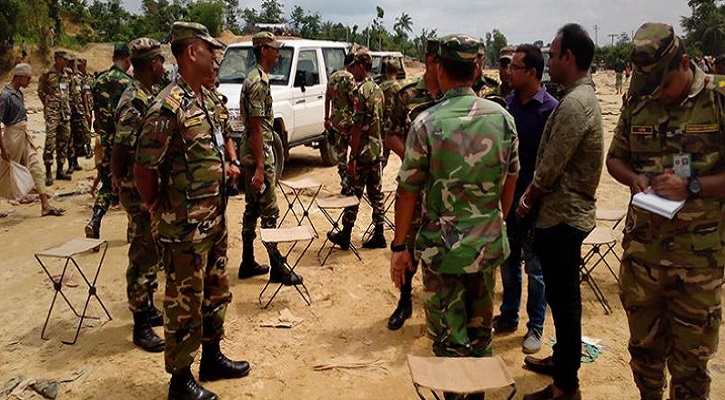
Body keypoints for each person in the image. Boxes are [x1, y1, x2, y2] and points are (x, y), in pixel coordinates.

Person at [390, 34, 518, 400]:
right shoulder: (503, 119)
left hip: (442, 253)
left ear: (440, 69)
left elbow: (408, 191)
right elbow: (512, 176)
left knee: (448, 341)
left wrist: (400, 246)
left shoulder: (426, 122)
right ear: (477, 68)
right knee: (481, 337)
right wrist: (497, 221)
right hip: (487, 245)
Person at [606, 22, 725, 400]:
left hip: (698, 262)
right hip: (644, 256)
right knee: (645, 355)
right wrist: (635, 179)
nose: (658, 94)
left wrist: (692, 187)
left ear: (685, 63)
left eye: (665, 85)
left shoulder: (720, 97)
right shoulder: (640, 96)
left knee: (691, 365)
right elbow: (615, 159)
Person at [134, 21, 250, 400]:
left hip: (214, 218)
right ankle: (180, 380)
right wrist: (155, 206)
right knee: (184, 301)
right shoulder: (169, 106)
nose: (216, 56)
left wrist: (230, 163)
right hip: (183, 227)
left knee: (216, 290)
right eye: (210, 49)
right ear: (190, 53)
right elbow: (144, 168)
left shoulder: (207, 99)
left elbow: (222, 140)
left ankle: (212, 358)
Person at [518, 24, 603, 400]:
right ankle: (563, 362)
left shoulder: (575, 104)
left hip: (563, 216)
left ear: (569, 57)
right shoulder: (576, 98)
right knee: (561, 297)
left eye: (552, 55)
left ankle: (566, 387)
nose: (549, 61)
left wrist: (527, 199)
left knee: (565, 300)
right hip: (563, 214)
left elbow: (550, 166)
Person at [493, 44, 557, 355]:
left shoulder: (550, 110)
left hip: (536, 202)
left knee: (536, 268)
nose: (509, 72)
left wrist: (533, 197)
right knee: (508, 262)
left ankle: (535, 326)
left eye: (516, 68)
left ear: (532, 72)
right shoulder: (508, 105)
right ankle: (508, 315)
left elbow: (551, 164)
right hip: (509, 200)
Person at [111, 37, 168, 353]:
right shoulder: (134, 100)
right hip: (136, 187)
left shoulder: (148, 94)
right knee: (143, 252)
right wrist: (117, 178)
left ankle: (148, 307)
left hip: (145, 184)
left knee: (152, 249)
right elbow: (121, 147)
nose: (163, 66)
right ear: (154, 64)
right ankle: (140, 325)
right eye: (160, 61)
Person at [383, 37, 440, 331]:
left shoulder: (453, 95)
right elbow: (390, 134)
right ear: (430, 61)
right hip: (415, 188)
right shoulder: (407, 95)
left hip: (443, 189)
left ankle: (440, 306)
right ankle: (404, 301)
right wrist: (413, 157)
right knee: (407, 242)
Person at [236, 31, 303, 285]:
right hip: (259, 152)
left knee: (252, 207)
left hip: (253, 151)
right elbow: (255, 126)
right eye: (275, 48)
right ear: (264, 50)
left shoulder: (257, 78)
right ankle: (278, 268)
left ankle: (247, 261)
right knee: (270, 210)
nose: (278, 52)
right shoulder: (258, 83)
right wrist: (262, 167)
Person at [326, 47, 387, 250]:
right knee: (376, 193)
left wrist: (352, 157)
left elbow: (358, 126)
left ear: (361, 66)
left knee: (354, 193)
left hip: (362, 153)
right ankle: (379, 233)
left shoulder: (361, 92)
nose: (353, 72)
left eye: (356, 67)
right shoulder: (379, 91)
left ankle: (346, 234)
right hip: (376, 151)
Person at [0, 63, 64, 217]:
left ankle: (45, 205)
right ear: (20, 77)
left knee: (35, 167)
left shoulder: (18, 94)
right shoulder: (6, 96)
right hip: (12, 137)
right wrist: (3, 149)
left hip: (23, 135)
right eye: (27, 78)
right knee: (3, 172)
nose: (29, 82)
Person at [86, 42, 132, 239]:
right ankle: (132, 231)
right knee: (131, 185)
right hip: (124, 143)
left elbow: (95, 115)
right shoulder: (127, 83)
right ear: (127, 59)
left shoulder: (98, 81)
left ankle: (95, 219)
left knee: (106, 183)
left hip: (106, 141)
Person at [37, 49, 73, 185]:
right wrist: (49, 107)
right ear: (57, 59)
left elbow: (68, 92)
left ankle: (60, 170)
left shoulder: (67, 74)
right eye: (65, 59)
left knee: (63, 141)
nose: (67, 61)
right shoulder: (47, 74)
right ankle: (48, 172)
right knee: (50, 141)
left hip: (65, 113)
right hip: (53, 114)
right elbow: (41, 92)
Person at [324, 52, 356, 195]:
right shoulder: (350, 78)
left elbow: (327, 99)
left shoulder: (332, 77)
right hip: (349, 122)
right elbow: (353, 100)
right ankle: (352, 182)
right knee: (355, 152)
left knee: (341, 154)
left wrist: (326, 119)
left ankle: (344, 181)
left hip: (336, 122)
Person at [378, 56, 404, 170]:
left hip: (381, 125)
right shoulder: (398, 87)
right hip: (395, 126)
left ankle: (377, 178)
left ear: (386, 70)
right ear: (397, 71)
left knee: (383, 156)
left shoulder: (379, 87)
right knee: (404, 155)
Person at [67, 57, 86, 174]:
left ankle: (76, 161)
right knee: (69, 139)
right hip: (68, 113)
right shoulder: (63, 78)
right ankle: (70, 163)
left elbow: (84, 94)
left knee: (79, 138)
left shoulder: (80, 78)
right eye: (70, 63)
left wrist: (87, 111)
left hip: (79, 112)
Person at [77, 58, 94, 159]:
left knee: (88, 127)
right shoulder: (77, 78)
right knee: (82, 128)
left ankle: (88, 148)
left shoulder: (89, 78)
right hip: (80, 107)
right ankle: (85, 148)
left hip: (89, 106)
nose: (80, 66)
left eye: (82, 64)